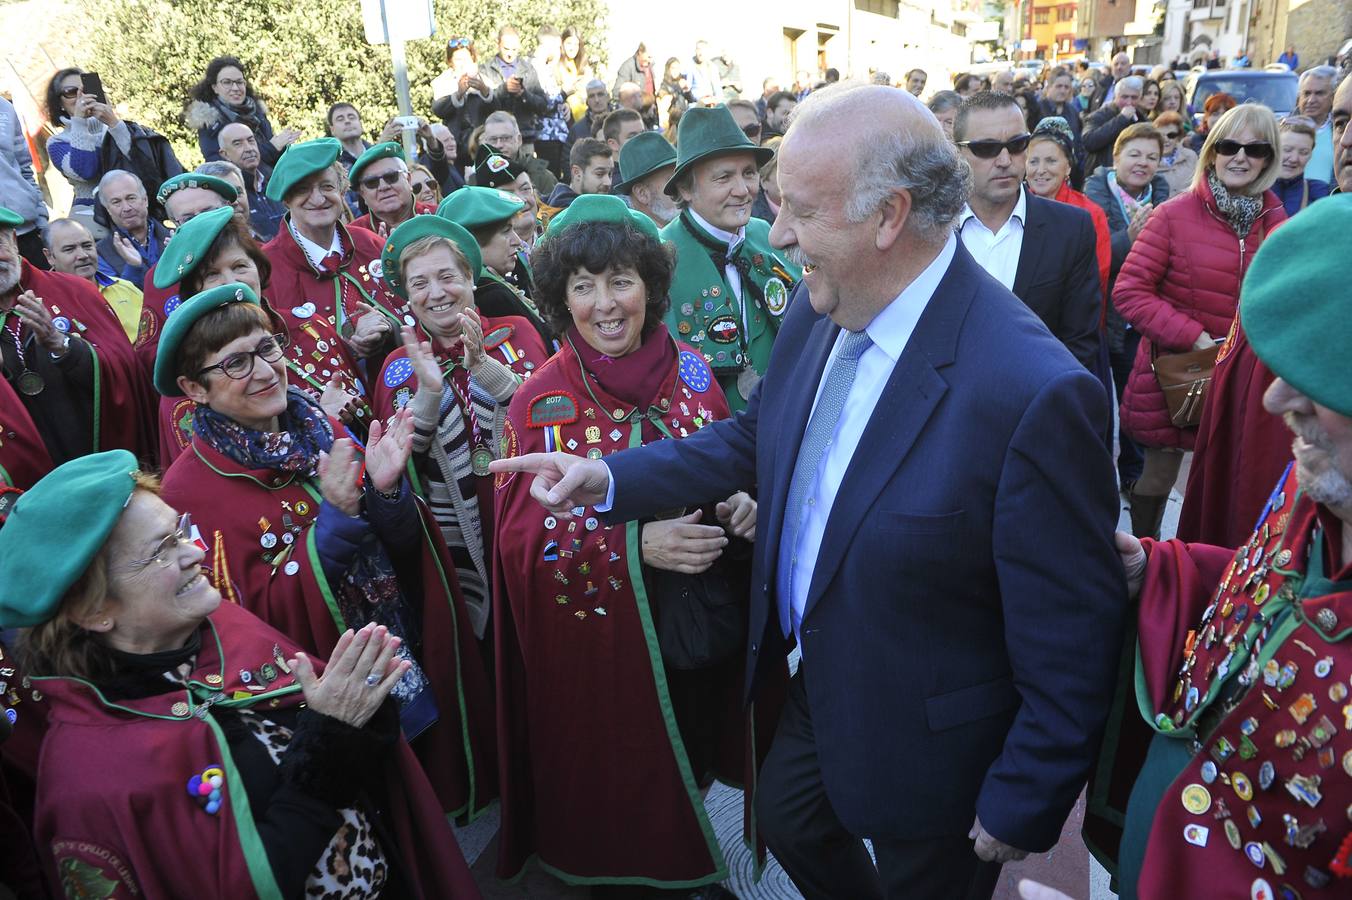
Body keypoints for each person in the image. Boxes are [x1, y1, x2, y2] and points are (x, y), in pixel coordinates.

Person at [491, 82, 1126, 899]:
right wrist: (609, 478)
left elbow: (1074, 629)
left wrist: (1025, 795)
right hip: (814, 688)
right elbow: (757, 436)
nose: (778, 232)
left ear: (889, 216)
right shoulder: (822, 306)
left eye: (800, 210)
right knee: (786, 822)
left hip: (932, 744)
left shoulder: (1033, 390)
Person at [0, 450, 481, 898]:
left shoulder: (222, 624)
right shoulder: (89, 782)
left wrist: (359, 714)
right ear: (94, 611)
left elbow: (353, 754)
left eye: (178, 531)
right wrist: (328, 743)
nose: (193, 552)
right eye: (160, 551)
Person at [491, 194, 774, 892]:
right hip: (608, 651)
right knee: (628, 801)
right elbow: (521, 543)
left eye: (620, 280)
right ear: (560, 299)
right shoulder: (539, 399)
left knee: (698, 767)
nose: (604, 304)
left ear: (651, 283)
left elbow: (726, 464)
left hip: (704, 632)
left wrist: (740, 505)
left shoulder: (698, 374)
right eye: (581, 287)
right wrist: (633, 547)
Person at [153, 281, 495, 818]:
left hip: (399, 656)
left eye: (267, 348)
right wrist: (335, 523)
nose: (266, 371)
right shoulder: (186, 492)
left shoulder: (320, 426)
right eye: (236, 363)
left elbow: (405, 550)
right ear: (194, 389)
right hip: (329, 713)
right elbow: (242, 627)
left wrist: (384, 492)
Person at [1114, 195, 1352, 899]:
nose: (1278, 401)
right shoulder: (1320, 485)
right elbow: (1286, 597)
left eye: (1323, 378)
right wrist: (1160, 571)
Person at [370, 216, 546, 642]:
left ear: (470, 276)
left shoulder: (519, 334)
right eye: (419, 284)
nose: (436, 293)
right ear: (408, 297)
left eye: (447, 276)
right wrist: (429, 393)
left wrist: (485, 370)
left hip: (531, 527)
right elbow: (402, 471)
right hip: (455, 550)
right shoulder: (397, 368)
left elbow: (551, 421)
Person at [1115, 104, 1286, 538]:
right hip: (1176, 377)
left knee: (1216, 486)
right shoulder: (1174, 214)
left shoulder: (1277, 221)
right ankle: (1146, 565)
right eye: (1230, 145)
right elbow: (1129, 292)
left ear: (1269, 157)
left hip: (1242, 380)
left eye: (1255, 148)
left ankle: (1199, 573)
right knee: (1157, 479)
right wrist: (1195, 338)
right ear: (1212, 151)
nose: (1240, 157)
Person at [660, 105, 801, 413]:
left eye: (748, 173)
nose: (743, 190)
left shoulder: (767, 235)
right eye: (724, 177)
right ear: (685, 188)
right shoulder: (660, 257)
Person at [955, 94, 1103, 378]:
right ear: (958, 153)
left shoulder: (1072, 229)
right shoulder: (932, 229)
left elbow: (1080, 343)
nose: (1004, 160)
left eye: (1017, 144)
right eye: (986, 148)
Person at [0, 206, 155, 464]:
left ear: (14, 240)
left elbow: (125, 368)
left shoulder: (74, 291)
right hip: (26, 469)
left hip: (94, 453)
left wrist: (62, 347)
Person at [261, 138, 408, 399]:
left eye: (327, 186)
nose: (318, 199)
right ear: (286, 200)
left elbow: (412, 314)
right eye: (303, 190)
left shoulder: (371, 244)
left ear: (342, 191)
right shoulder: (264, 270)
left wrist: (386, 328)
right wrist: (349, 342)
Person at [1083, 122, 1172, 493]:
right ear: (1116, 156)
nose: (1143, 163)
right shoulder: (1095, 193)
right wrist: (1130, 238)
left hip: (1143, 320)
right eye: (1135, 154)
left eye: (1152, 157)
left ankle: (1132, 475)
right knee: (1100, 406)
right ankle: (1096, 477)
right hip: (1104, 317)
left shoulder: (1164, 197)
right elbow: (1093, 254)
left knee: (1136, 402)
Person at [43, 68, 183, 232]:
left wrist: (114, 124)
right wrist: (79, 122)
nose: (82, 96)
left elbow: (142, 162)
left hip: (135, 213)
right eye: (71, 92)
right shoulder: (58, 142)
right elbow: (86, 171)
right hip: (93, 220)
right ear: (59, 103)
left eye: (86, 89)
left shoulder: (116, 126)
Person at [439, 186, 554, 350]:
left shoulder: (492, 286)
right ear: (472, 242)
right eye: (506, 231)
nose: (517, 241)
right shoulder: (491, 297)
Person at [1025, 118, 1110, 322]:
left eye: (1051, 161)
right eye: (1033, 161)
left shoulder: (1090, 213)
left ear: (1068, 167)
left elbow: (1098, 278)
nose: (1041, 170)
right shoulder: (1011, 208)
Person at [185, 56, 299, 168]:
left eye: (239, 82)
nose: (235, 88)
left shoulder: (257, 113)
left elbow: (273, 156)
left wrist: (283, 146)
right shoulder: (209, 121)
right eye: (227, 82)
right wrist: (272, 148)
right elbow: (222, 167)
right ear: (215, 87)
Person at [43, 217, 142, 342]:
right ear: (50, 256)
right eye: (69, 249)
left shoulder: (126, 288)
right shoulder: (45, 307)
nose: (83, 255)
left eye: (87, 246)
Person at [478, 26, 549, 158]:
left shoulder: (528, 69)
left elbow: (543, 105)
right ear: (497, 44)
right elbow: (480, 107)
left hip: (524, 139)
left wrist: (523, 94)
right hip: (495, 141)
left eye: (514, 49)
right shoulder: (485, 70)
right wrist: (503, 90)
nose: (510, 53)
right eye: (506, 49)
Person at [93, 169, 168, 290]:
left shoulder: (174, 236)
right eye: (116, 202)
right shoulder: (100, 253)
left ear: (145, 200)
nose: (126, 208)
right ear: (108, 210)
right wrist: (133, 267)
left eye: (131, 198)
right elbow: (117, 299)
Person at [346, 143, 436, 238]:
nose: (383, 187)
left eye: (391, 177)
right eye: (371, 182)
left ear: (408, 180)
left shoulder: (440, 216)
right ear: (362, 194)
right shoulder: (353, 238)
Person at [216, 121, 285, 241]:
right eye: (237, 144)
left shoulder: (276, 183)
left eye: (251, 140)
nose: (248, 148)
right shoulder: (229, 199)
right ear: (225, 154)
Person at [0, 96, 47, 270]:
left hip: (27, 229)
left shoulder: (4, 107)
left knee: (44, 295)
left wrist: (41, 217)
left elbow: (24, 168)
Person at [431, 37, 491, 166]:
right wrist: (458, 94)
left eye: (466, 58)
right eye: (458, 59)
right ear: (450, 62)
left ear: (473, 58)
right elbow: (438, 110)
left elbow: (496, 108)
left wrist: (484, 90)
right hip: (456, 145)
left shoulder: (485, 79)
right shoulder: (442, 82)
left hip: (481, 142)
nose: (463, 63)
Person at [479, 110, 557, 196]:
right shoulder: (480, 178)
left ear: (519, 140)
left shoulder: (542, 178)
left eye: (505, 138)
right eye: (493, 139)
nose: (499, 145)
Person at [529, 26, 572, 179]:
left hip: (557, 135)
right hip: (545, 137)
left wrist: (565, 104)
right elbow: (543, 105)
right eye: (556, 47)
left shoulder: (547, 68)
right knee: (550, 180)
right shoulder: (533, 69)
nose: (559, 52)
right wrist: (565, 93)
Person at [611, 130, 679, 226]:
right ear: (642, 193)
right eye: (673, 181)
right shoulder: (627, 239)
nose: (684, 188)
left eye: (683, 178)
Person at [1272, 115, 1331, 216]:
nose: (1294, 158)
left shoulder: (1321, 193)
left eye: (1303, 152)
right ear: (1273, 149)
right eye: (1287, 150)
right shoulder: (1253, 190)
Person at [1083, 75, 1144, 172]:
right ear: (1115, 97)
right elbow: (1089, 141)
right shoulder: (1098, 116)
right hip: (1102, 176)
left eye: (1134, 97)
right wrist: (1122, 119)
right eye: (1124, 97)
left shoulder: (1141, 119)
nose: (1129, 102)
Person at [541, 138, 612, 218]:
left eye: (610, 174)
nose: (608, 182)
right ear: (577, 173)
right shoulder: (566, 216)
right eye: (599, 174)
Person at [1297, 66, 1337, 182]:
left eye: (1319, 93)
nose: (1311, 100)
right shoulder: (1282, 129)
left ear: (1333, 97)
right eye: (1307, 93)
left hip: (1330, 199)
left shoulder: (1343, 132)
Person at [1038, 68, 1085, 162]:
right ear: (1049, 87)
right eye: (1058, 86)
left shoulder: (1073, 111)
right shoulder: (1037, 110)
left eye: (1066, 87)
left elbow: (1078, 141)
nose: (1063, 91)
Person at [1153, 111, 1198, 196]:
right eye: (1160, 135)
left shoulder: (1191, 156)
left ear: (1178, 137)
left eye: (1171, 135)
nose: (1165, 139)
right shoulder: (1149, 160)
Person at [568, 79, 612, 145]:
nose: (596, 100)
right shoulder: (577, 130)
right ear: (587, 101)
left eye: (600, 94)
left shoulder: (621, 122)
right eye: (591, 96)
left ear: (608, 97)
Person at [688, 40, 723, 106]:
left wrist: (715, 100)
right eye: (698, 49)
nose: (700, 53)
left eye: (703, 50)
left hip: (711, 105)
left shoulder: (713, 67)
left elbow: (718, 91)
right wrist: (702, 99)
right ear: (695, 51)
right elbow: (687, 91)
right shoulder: (689, 67)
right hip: (695, 106)